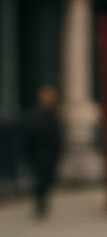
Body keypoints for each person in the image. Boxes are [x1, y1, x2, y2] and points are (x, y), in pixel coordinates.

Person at [23, 85, 62, 217]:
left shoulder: (34, 116)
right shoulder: (51, 117)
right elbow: (57, 138)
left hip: (38, 154)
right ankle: (41, 202)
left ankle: (40, 202)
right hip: (46, 154)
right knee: (45, 179)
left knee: (40, 179)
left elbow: (28, 138)